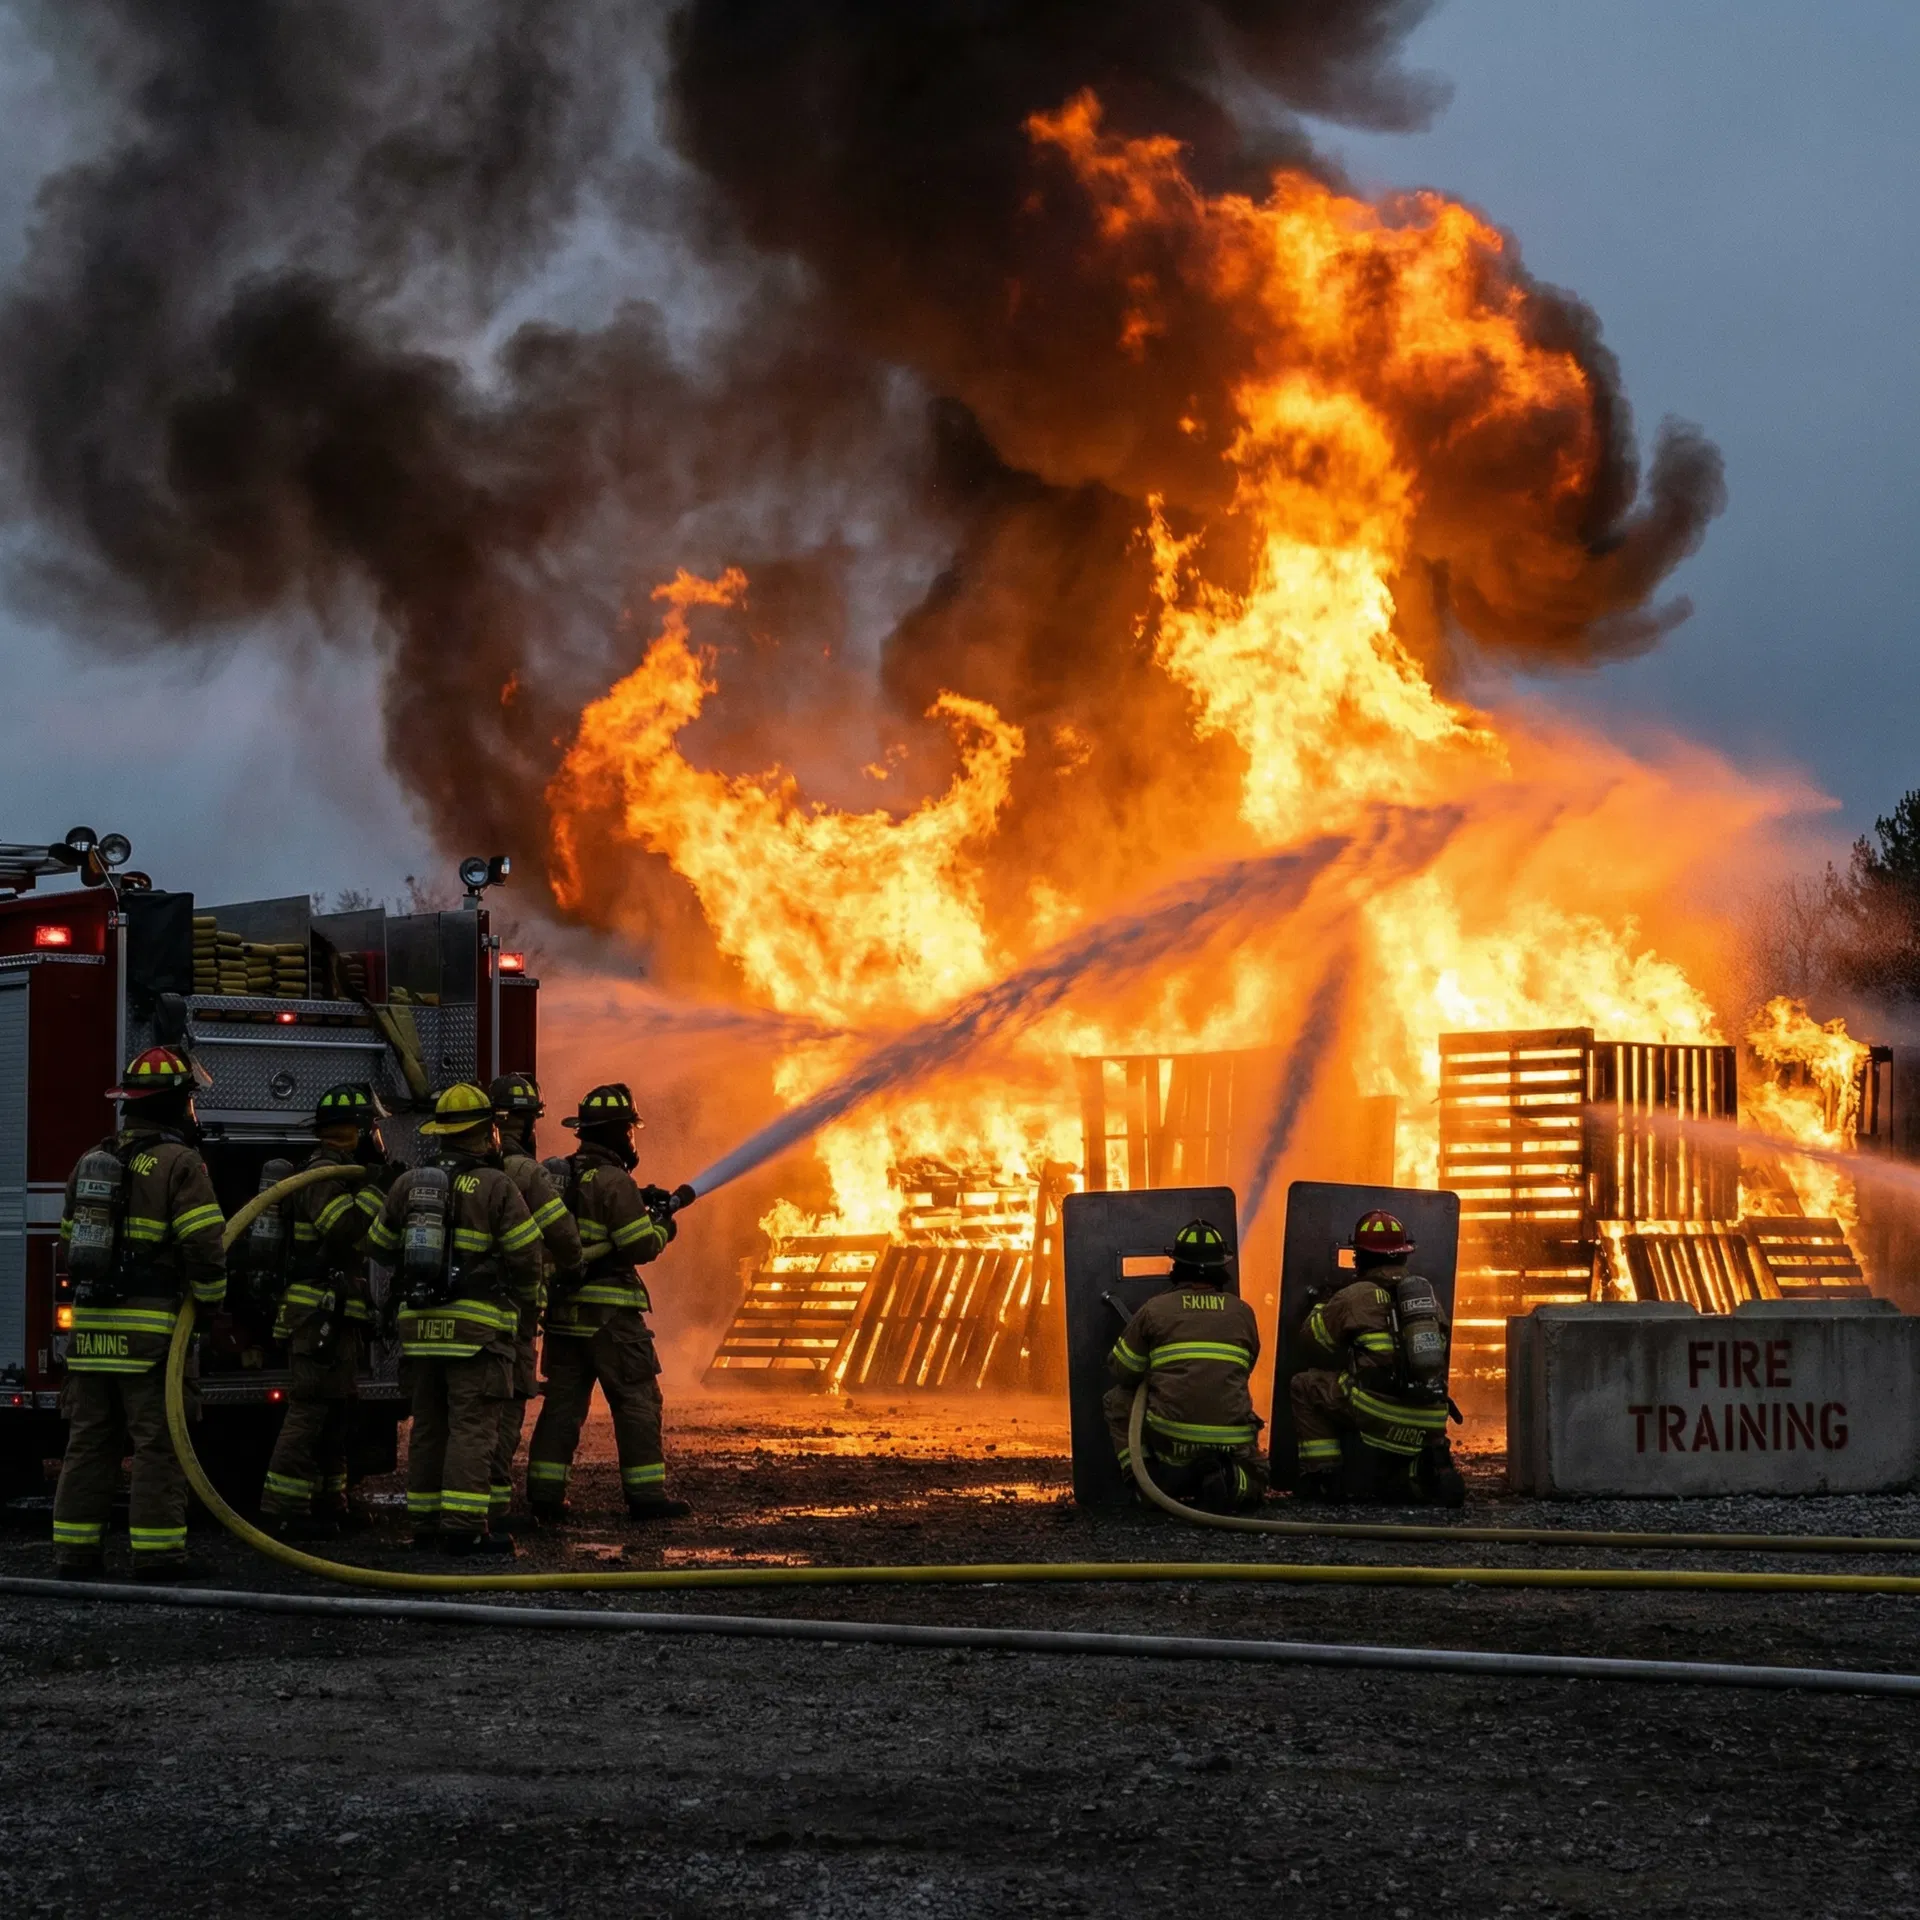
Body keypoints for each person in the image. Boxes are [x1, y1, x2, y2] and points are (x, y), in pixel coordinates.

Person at [51, 1047, 226, 1580]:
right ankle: (157, 1555)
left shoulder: (91, 1161)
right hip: (152, 1334)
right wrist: (212, 1304)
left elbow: (66, 1247)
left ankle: (75, 1554)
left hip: (92, 1331)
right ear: (175, 1105)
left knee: (89, 1440)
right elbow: (205, 1245)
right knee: (159, 1442)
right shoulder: (180, 1164)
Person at [366, 1083, 542, 1555]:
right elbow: (527, 1258)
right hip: (476, 1334)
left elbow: (378, 1247)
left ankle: (424, 1523)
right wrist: (528, 1303)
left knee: (429, 1426)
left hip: (421, 1332)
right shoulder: (497, 1185)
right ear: (488, 1133)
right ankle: (464, 1525)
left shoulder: (411, 1184)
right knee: (472, 1427)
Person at [526, 1083, 688, 1523]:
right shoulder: (614, 1179)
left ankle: (544, 1493)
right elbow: (637, 1245)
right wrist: (663, 1230)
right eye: (630, 1131)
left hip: (565, 1319)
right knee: (637, 1400)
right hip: (611, 1320)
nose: (633, 1139)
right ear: (619, 1133)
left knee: (562, 1406)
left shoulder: (566, 1174)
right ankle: (646, 1495)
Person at [259, 1083, 394, 1540]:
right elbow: (346, 1231)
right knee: (310, 1412)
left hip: (336, 1317)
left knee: (337, 1415)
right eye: (371, 1126)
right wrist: (380, 1190)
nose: (376, 1135)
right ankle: (283, 1509)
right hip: (315, 1316)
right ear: (354, 1131)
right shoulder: (319, 1176)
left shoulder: (340, 1173)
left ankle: (331, 1502)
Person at [1288, 1209, 1464, 1506]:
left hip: (1378, 1411)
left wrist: (1321, 1306)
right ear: (1404, 1255)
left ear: (1359, 1257)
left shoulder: (1354, 1295)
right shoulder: (1426, 1298)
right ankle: (1428, 1465)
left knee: (1305, 1386)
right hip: (1431, 1414)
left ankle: (1323, 1476)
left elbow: (1312, 1340)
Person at [1103, 1218, 1267, 1512]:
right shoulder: (1243, 1312)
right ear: (1222, 1266)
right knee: (1257, 1474)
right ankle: (1229, 1481)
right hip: (1231, 1441)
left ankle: (1145, 1482)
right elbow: (1246, 1365)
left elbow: (1122, 1370)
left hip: (1170, 1441)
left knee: (1117, 1401)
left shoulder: (1155, 1310)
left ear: (1176, 1265)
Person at [485, 1073, 583, 1527]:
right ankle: (495, 1507)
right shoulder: (526, 1172)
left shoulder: (467, 1170)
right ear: (524, 1125)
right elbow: (562, 1234)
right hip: (511, 1315)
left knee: (458, 1414)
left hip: (462, 1312)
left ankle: (445, 1511)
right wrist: (572, 1263)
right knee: (505, 1406)